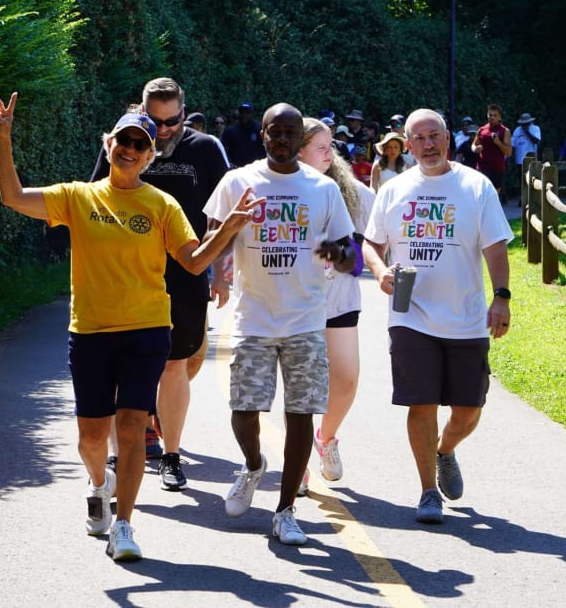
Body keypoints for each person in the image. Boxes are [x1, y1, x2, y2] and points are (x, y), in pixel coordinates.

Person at [0, 91, 261, 561]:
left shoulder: (161, 205)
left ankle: (125, 524)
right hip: (91, 332)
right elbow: (12, 197)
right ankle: (99, 484)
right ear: (109, 143)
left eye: (140, 145)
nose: (130, 150)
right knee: (92, 437)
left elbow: (193, 262)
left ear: (150, 155)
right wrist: (3, 138)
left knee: (132, 426)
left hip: (148, 330)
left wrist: (229, 230)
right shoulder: (76, 196)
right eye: (124, 141)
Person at [203, 103, 356, 547]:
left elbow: (346, 252)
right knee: (244, 410)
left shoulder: (321, 189)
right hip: (253, 316)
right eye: (276, 132)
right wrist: (218, 271)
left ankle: (286, 510)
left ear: (299, 137)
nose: (283, 140)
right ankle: (253, 465)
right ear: (264, 134)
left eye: (291, 132)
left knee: (300, 414)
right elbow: (212, 237)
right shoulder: (239, 181)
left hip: (306, 318)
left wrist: (333, 253)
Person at [362, 108, 513, 525]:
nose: (428, 145)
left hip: (465, 316)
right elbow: (371, 245)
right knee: (421, 401)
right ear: (406, 145)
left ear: (448, 140)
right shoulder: (394, 190)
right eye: (419, 138)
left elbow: (496, 248)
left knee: (469, 409)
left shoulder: (475, 186)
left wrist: (501, 298)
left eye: (434, 136)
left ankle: (445, 450)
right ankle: (428, 490)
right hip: (410, 314)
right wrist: (380, 271)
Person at [89, 78, 231, 491]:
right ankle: (126, 449)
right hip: (128, 274)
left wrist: (221, 269)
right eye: (156, 121)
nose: (165, 130)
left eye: (173, 121)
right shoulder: (125, 144)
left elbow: (222, 212)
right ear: (141, 113)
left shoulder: (203, 150)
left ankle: (171, 452)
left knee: (178, 364)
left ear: (185, 114)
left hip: (186, 272)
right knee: (126, 361)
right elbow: (94, 197)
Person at [294, 118, 376, 494]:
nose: (331, 154)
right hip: (295, 304)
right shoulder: (282, 190)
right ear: (298, 151)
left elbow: (362, 257)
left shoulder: (354, 194)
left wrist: (327, 252)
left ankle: (325, 438)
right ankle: (295, 464)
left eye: (331, 147)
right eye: (322, 148)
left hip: (339, 300)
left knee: (346, 378)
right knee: (301, 385)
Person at [471, 104, 513, 203]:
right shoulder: (481, 130)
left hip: (496, 169)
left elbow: (509, 152)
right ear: (487, 115)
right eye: (490, 115)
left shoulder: (505, 131)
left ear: (499, 117)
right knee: (480, 196)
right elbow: (473, 145)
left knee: (493, 199)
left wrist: (498, 142)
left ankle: (492, 217)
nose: (492, 117)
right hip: (481, 168)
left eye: (495, 115)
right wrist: (475, 149)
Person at [510, 113, 541, 202]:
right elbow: (513, 145)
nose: (524, 125)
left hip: (532, 160)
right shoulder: (517, 130)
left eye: (526, 123)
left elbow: (536, 141)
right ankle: (522, 199)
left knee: (532, 180)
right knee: (522, 181)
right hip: (520, 161)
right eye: (523, 124)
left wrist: (527, 132)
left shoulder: (535, 128)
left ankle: (532, 199)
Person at [222, 101, 264, 167]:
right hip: (237, 170)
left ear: (252, 114)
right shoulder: (230, 131)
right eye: (242, 112)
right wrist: (229, 163)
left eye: (247, 113)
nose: (244, 115)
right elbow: (224, 150)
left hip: (256, 170)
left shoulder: (260, 129)